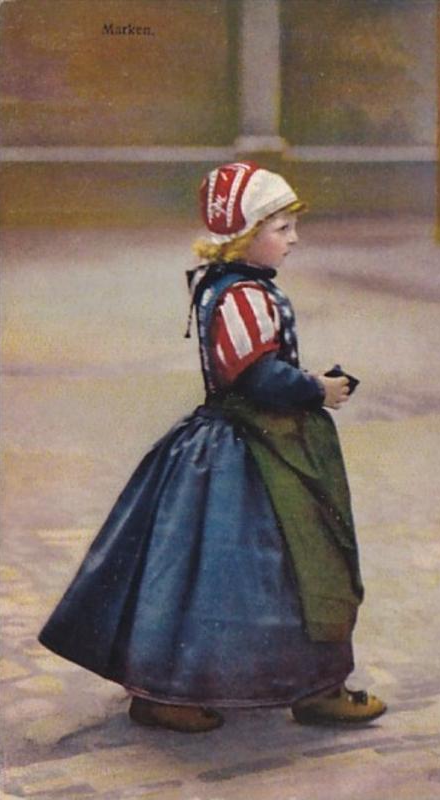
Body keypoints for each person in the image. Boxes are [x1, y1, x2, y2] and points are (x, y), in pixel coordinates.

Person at [39, 161, 386, 733]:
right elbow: (257, 378)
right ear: (244, 236)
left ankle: (311, 684)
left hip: (259, 441)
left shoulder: (232, 288)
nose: (293, 238)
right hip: (247, 451)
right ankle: (175, 690)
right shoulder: (240, 297)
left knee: (293, 562)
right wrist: (317, 389)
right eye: (280, 227)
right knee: (264, 563)